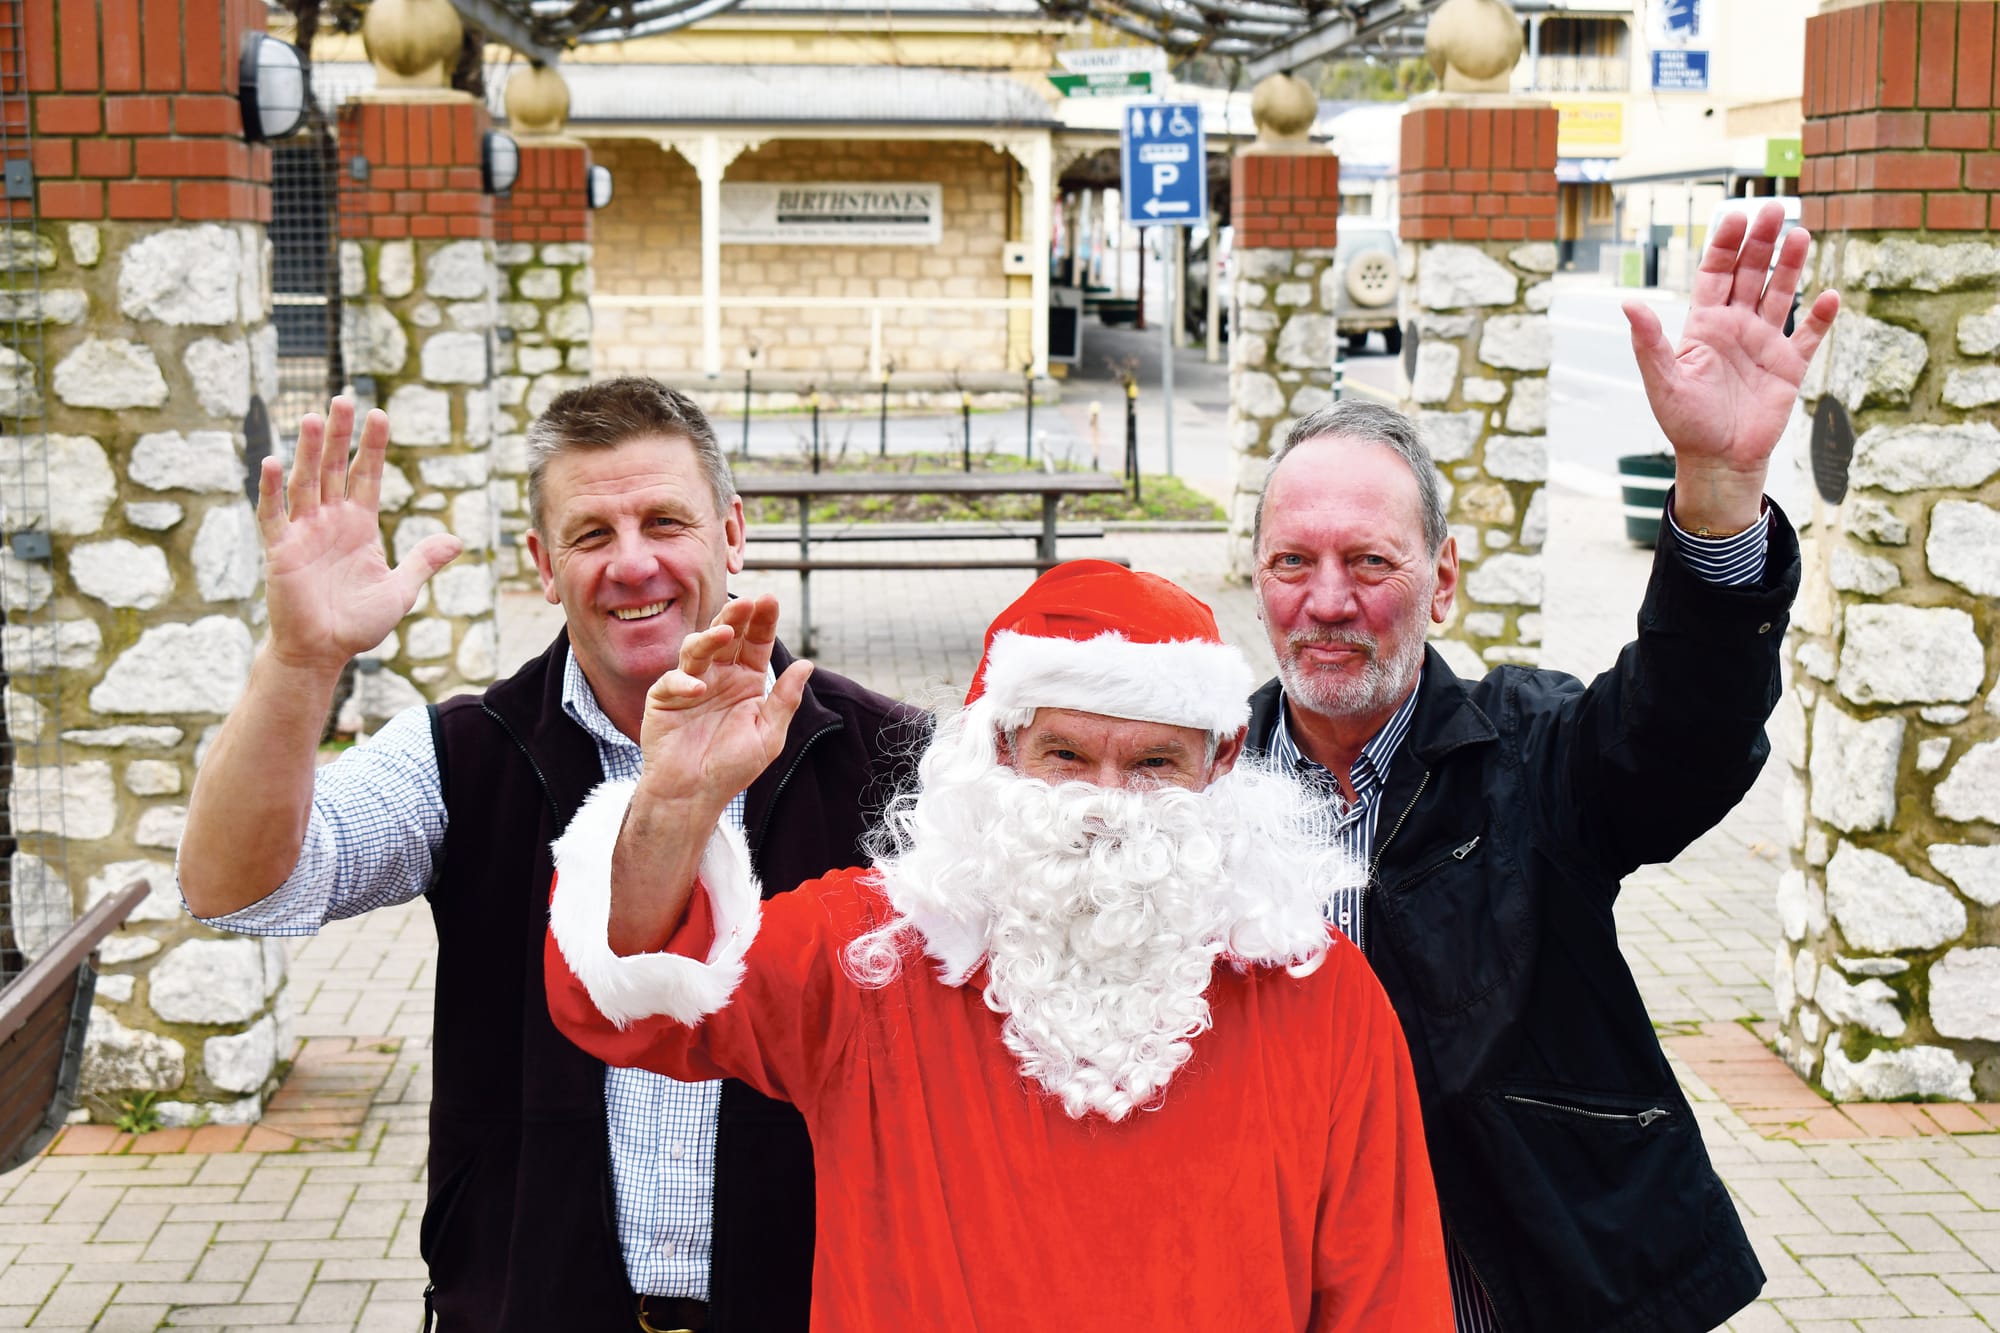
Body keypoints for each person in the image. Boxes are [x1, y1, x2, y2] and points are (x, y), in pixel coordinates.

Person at [177, 379, 918, 1331]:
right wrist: (299, 660)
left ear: (732, 533)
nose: (633, 563)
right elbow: (235, 891)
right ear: (542, 564)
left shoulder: (894, 761)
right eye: (592, 534)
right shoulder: (463, 753)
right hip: (532, 1302)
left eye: (665, 521)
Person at [544, 562, 1455, 1331]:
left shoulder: (1318, 987)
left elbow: (1389, 1300)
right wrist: (672, 810)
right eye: (1066, 757)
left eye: (1153, 764)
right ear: (1001, 750)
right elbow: (625, 999)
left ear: (1220, 762)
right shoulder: (870, 952)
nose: (1106, 806)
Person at [1242, 200, 1838, 1332]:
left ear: (1442, 580)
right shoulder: (1199, 785)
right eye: (1291, 562)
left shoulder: (1528, 752)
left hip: (1515, 1289)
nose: (1326, 601)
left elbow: (1681, 732)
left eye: (1369, 561)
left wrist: (1716, 487)